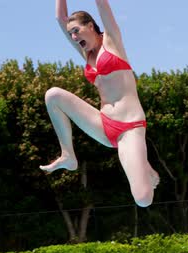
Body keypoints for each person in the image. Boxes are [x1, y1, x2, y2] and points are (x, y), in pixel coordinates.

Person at [41, 0, 159, 207]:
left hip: (129, 128)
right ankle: (68, 155)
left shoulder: (112, 41)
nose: (74, 37)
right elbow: (60, 18)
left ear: (91, 26)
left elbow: (102, 5)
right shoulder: (85, 54)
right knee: (53, 95)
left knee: (143, 199)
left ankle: (143, 165)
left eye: (76, 31)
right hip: (103, 124)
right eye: (71, 34)